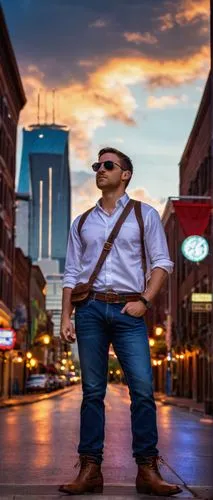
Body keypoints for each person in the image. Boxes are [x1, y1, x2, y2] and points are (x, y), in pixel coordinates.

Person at [59, 147, 182, 496]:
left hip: (129, 310)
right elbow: (71, 273)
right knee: (92, 392)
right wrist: (66, 316)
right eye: (97, 165)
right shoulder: (81, 222)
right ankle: (90, 470)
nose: (100, 169)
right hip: (91, 310)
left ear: (125, 174)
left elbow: (162, 263)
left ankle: (147, 470)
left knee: (143, 390)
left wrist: (145, 301)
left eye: (107, 165)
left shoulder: (145, 215)